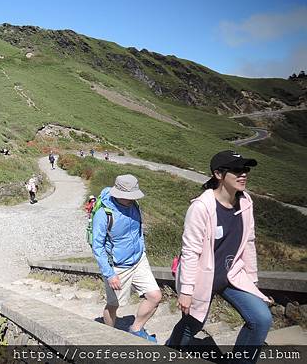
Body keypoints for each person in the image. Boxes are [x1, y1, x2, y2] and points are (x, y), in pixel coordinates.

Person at [167, 151, 272, 362]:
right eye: (236, 170)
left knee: (261, 319)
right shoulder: (200, 207)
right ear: (218, 174)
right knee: (193, 325)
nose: (243, 174)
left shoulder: (245, 202)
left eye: (246, 170)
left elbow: (249, 243)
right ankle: (169, 351)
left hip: (231, 275)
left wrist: (252, 280)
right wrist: (186, 291)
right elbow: (190, 252)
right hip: (201, 279)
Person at [92, 174, 162, 342]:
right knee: (113, 305)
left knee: (155, 296)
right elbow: (97, 246)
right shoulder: (104, 214)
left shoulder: (134, 205)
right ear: (118, 194)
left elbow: (138, 231)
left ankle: (136, 329)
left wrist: (142, 250)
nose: (132, 199)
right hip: (118, 266)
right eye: (129, 197)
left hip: (138, 260)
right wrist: (109, 274)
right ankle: (108, 337)